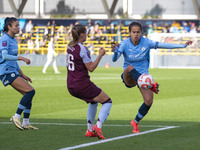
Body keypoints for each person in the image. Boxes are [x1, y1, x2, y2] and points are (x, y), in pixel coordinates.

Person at [111, 21, 192, 133]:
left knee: (149, 101)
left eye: (138, 32)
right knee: (129, 67)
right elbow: (114, 59)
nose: (136, 34)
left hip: (143, 77)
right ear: (130, 33)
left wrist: (182, 45)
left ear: (141, 33)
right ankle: (150, 84)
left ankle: (135, 122)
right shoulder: (124, 44)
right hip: (129, 77)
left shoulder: (146, 42)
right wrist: (115, 52)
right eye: (133, 32)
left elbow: (163, 45)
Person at [66, 24, 112, 139]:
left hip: (70, 85)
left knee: (93, 101)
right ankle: (98, 127)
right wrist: (100, 55)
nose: (87, 35)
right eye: (86, 33)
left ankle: (90, 130)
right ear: (82, 35)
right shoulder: (82, 48)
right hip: (81, 84)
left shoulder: (70, 45)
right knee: (107, 101)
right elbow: (91, 68)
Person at [0, 17, 38, 130]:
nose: (18, 27)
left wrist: (22, 74)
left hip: (12, 70)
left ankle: (26, 122)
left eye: (18, 25)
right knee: (30, 91)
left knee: (28, 94)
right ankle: (16, 116)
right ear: (9, 27)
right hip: (6, 71)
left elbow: (12, 60)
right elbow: (5, 56)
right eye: (16, 25)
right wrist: (21, 58)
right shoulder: (4, 39)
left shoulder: (13, 39)